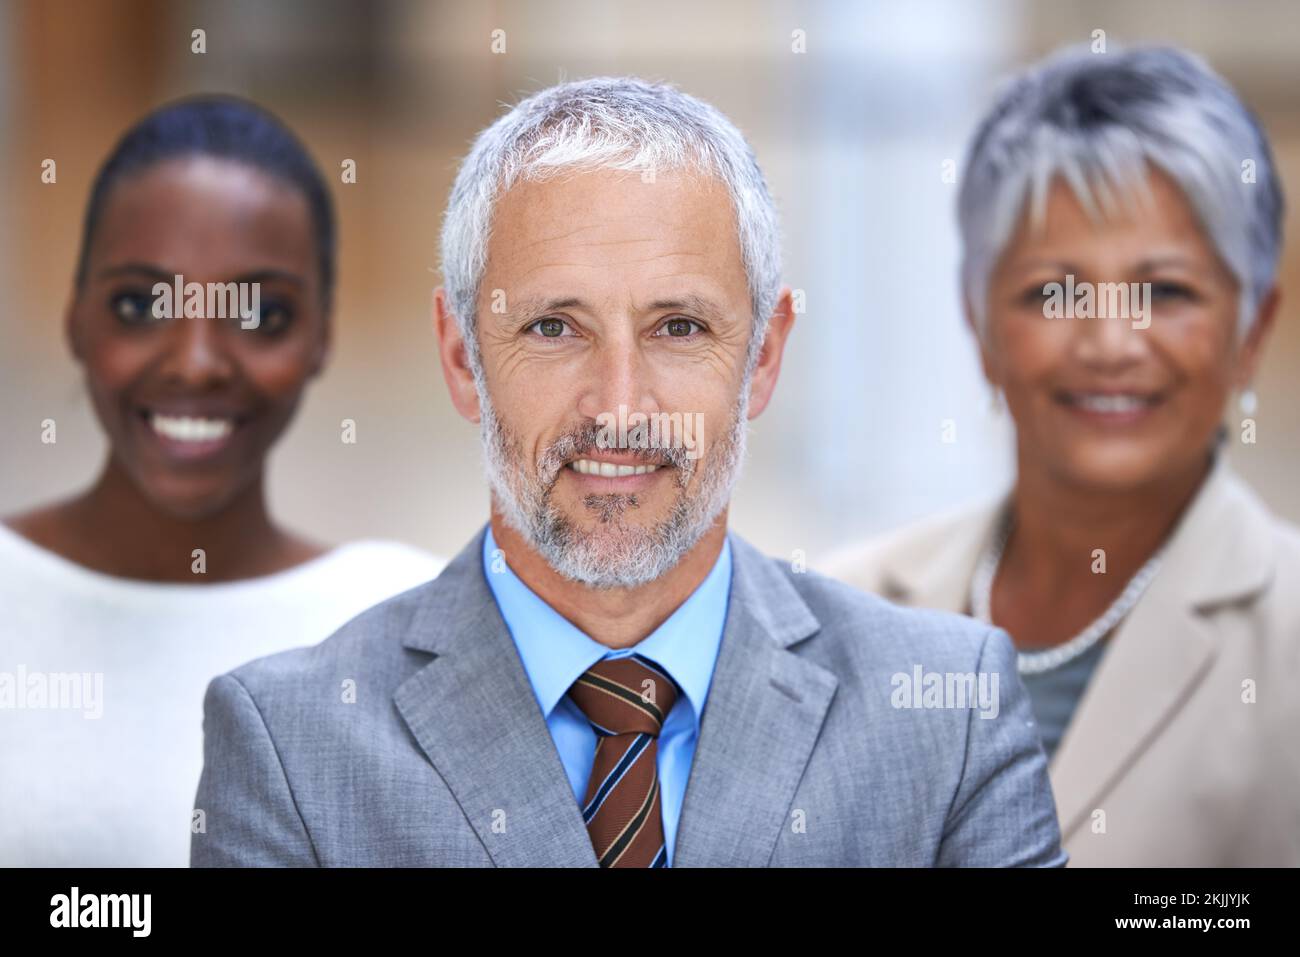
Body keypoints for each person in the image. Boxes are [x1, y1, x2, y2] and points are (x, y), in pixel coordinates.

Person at [192, 76, 1065, 868]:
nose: (618, 406)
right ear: (462, 357)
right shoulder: (291, 747)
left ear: (764, 356)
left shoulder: (949, 717)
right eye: (553, 327)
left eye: (678, 326)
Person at [824, 46, 1300, 866]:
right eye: (1055, 293)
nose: (1111, 342)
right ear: (977, 323)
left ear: (1252, 329)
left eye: (1166, 291)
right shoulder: (833, 614)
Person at [0, 96, 442, 866]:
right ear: (75, 317)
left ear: (322, 336)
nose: (196, 361)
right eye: (140, 304)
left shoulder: (406, 619)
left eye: (261, 314)